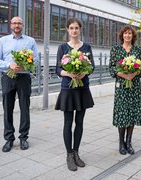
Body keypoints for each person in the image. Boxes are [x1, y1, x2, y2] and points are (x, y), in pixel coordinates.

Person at [0, 16, 38, 152]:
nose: (17, 25)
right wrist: (9, 65)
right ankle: (9, 139)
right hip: (8, 77)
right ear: (10, 25)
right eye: (14, 23)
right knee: (7, 108)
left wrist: (24, 66)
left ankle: (23, 138)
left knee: (25, 107)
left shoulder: (30, 41)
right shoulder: (3, 40)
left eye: (19, 23)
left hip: (24, 77)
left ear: (22, 25)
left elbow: (36, 61)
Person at [55, 18, 95, 171]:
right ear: (67, 30)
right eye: (71, 28)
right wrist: (68, 73)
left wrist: (83, 71)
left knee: (79, 122)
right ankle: (69, 155)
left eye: (76, 28)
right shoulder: (62, 47)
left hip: (82, 88)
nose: (74, 30)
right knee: (67, 122)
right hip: (67, 89)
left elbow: (92, 67)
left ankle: (77, 153)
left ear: (80, 29)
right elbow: (57, 69)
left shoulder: (86, 47)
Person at [109, 26, 141, 155]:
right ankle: (121, 143)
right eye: (125, 33)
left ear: (133, 36)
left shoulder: (137, 50)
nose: (127, 35)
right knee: (122, 114)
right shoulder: (116, 49)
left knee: (132, 113)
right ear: (122, 35)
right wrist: (124, 75)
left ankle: (129, 142)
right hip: (121, 87)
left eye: (130, 33)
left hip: (134, 86)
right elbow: (112, 68)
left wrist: (133, 75)